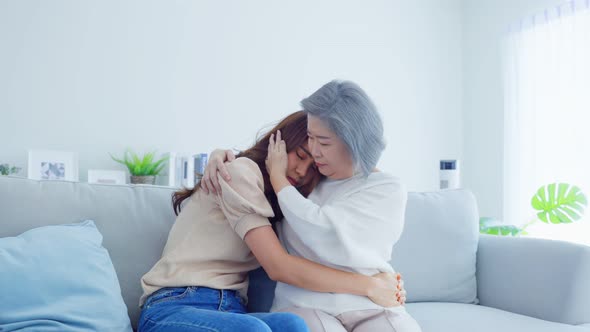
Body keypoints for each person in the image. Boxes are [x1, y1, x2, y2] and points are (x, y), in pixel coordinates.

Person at [138, 111, 403, 332]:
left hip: (231, 310)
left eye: (313, 167)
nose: (301, 171)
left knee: (294, 325)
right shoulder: (241, 172)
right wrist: (371, 285)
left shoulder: (283, 202)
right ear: (279, 144)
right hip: (175, 304)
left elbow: (354, 175)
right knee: (256, 331)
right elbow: (279, 267)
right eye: (300, 155)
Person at [202, 80, 421, 332]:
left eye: (324, 142)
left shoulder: (385, 188)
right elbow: (247, 179)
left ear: (354, 141)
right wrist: (221, 156)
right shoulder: (301, 183)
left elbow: (325, 233)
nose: (315, 151)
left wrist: (279, 179)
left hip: (372, 304)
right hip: (305, 304)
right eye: (310, 137)